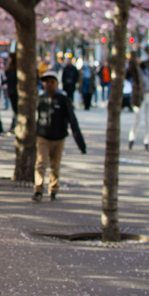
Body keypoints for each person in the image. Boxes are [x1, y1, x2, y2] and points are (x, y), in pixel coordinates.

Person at [32, 71, 86, 202]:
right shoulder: (40, 99)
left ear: (56, 83)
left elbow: (72, 120)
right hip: (43, 136)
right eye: (46, 82)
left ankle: (53, 190)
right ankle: (38, 190)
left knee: (55, 165)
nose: (49, 85)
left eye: (52, 82)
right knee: (41, 162)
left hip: (59, 137)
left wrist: (81, 144)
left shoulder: (63, 100)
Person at [127, 49, 149, 151]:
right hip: (139, 97)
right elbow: (131, 66)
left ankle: (147, 141)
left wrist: (144, 47)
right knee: (137, 119)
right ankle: (132, 138)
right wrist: (134, 53)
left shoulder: (146, 67)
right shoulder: (135, 70)